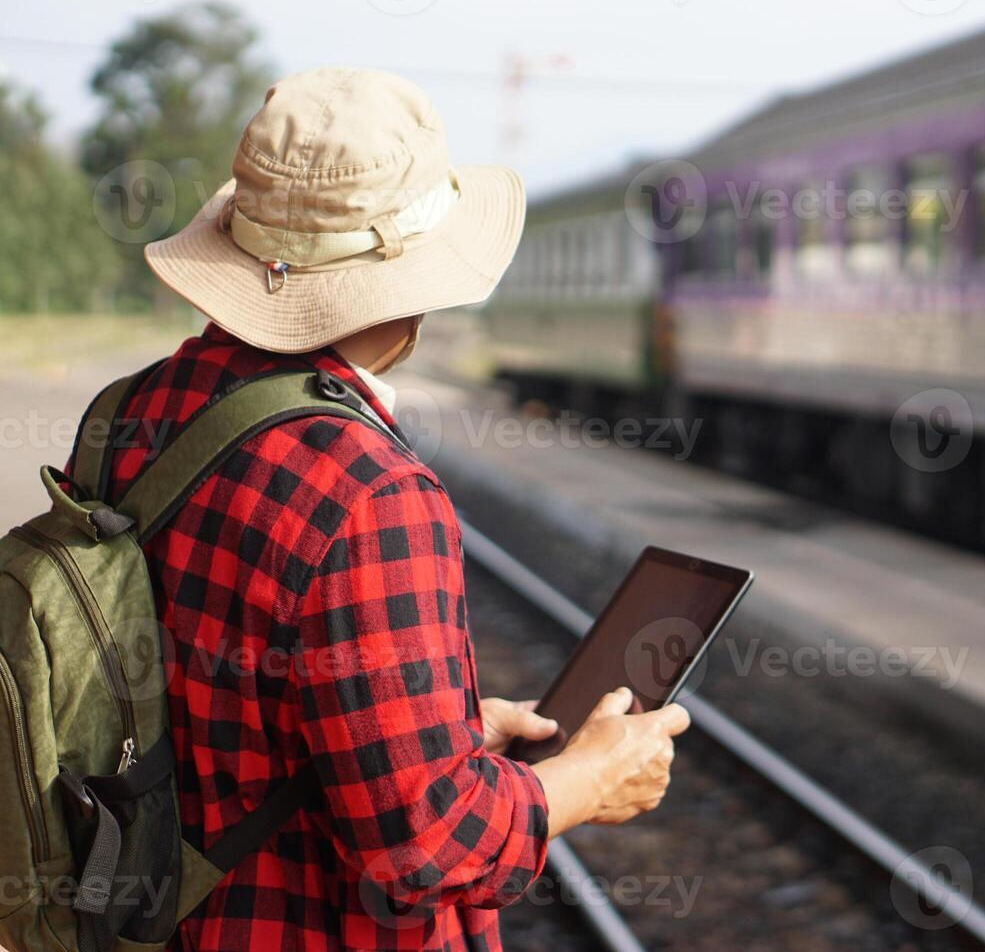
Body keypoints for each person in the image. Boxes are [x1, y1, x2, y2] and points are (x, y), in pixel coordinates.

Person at [73, 66, 690, 951]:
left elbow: (214, 697)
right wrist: (591, 779)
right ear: (411, 290)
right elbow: (426, 846)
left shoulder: (128, 413)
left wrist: (441, 726)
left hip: (145, 921)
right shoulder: (371, 493)